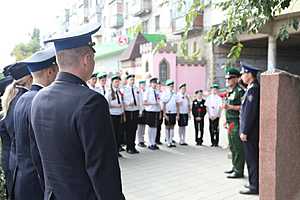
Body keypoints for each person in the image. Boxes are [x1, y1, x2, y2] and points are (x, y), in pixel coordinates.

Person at [31, 23, 125, 200]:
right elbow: (103, 170)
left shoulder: (38, 98)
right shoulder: (91, 102)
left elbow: (37, 158)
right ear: (86, 59)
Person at [13, 47, 58, 200]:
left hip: (23, 179)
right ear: (50, 72)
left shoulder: (22, 99)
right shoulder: (41, 101)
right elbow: (41, 150)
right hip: (38, 184)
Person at [0, 63, 32, 199]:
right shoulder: (24, 100)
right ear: (30, 78)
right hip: (23, 163)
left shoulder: (11, 100)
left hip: (11, 160)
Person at [239, 64, 260, 195]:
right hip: (250, 131)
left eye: (243, 74)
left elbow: (250, 113)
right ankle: (253, 182)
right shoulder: (251, 88)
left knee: (252, 159)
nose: (242, 76)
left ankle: (254, 186)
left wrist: (244, 131)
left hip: (250, 132)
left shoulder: (253, 90)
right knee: (250, 158)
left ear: (249, 75)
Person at [222, 67, 245, 179]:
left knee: (238, 147)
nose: (228, 80)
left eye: (230, 78)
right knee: (232, 146)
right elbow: (227, 108)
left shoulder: (240, 91)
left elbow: (244, 107)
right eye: (227, 78)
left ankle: (239, 170)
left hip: (237, 122)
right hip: (230, 122)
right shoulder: (229, 92)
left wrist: (230, 107)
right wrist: (226, 120)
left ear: (237, 79)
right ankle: (234, 166)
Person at [106, 75, 126, 157]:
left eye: (118, 82)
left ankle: (117, 149)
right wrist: (116, 106)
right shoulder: (109, 92)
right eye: (116, 82)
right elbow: (107, 104)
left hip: (119, 115)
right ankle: (113, 152)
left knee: (119, 133)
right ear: (112, 83)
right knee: (113, 134)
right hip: (113, 115)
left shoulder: (119, 92)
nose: (117, 83)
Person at [123, 74, 140, 154]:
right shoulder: (124, 89)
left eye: (133, 80)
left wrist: (140, 110)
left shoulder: (136, 89)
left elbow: (140, 100)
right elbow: (123, 100)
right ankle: (128, 147)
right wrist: (128, 103)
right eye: (131, 80)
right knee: (128, 129)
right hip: (128, 111)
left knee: (134, 129)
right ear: (127, 81)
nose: (132, 81)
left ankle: (133, 146)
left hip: (135, 110)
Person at [143, 77, 160, 150]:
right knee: (150, 127)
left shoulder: (157, 91)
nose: (155, 84)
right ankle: (150, 143)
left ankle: (153, 142)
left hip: (156, 110)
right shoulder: (148, 91)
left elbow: (159, 99)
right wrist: (153, 103)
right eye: (153, 83)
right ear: (150, 84)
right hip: (150, 111)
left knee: (155, 127)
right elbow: (144, 102)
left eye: (156, 83)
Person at [162, 79, 179, 148]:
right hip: (167, 113)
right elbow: (163, 104)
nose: (171, 87)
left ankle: (171, 140)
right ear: (167, 86)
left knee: (172, 126)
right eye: (170, 86)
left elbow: (177, 104)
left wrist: (177, 114)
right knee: (167, 126)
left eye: (172, 86)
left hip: (173, 112)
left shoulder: (175, 94)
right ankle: (168, 141)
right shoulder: (165, 94)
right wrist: (164, 114)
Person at [137, 80, 147, 147]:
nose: (143, 86)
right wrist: (140, 111)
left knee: (143, 126)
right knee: (140, 127)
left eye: (144, 84)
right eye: (142, 84)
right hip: (140, 111)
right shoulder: (138, 92)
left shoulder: (146, 91)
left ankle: (142, 139)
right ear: (140, 85)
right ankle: (140, 141)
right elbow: (139, 102)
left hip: (145, 110)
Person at [155, 80, 164, 145]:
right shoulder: (154, 92)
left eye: (160, 85)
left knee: (159, 126)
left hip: (161, 110)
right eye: (158, 84)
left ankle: (158, 139)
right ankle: (154, 139)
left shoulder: (162, 93)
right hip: (156, 111)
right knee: (155, 125)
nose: (159, 86)